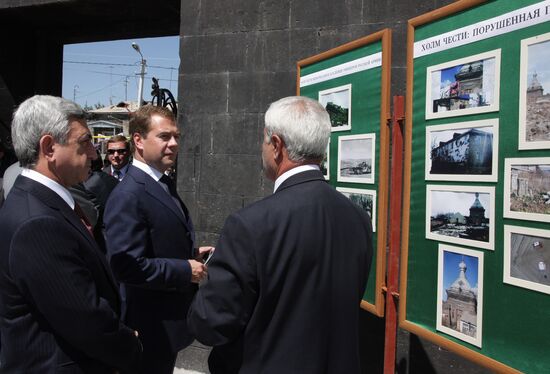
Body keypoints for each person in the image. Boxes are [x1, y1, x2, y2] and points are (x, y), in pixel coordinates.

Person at [187, 96, 374, 374]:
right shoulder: (357, 216)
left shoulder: (249, 224)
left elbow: (211, 325)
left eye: (264, 142)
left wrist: (204, 277)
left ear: (276, 145)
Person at [0, 95, 142, 373]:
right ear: (49, 147)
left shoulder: (37, 202)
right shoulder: (37, 223)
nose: (93, 153)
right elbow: (82, 317)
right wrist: (130, 343)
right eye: (85, 142)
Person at [104, 105, 210, 374]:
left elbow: (153, 241)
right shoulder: (129, 195)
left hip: (166, 325)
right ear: (138, 140)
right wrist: (184, 270)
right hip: (149, 328)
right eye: (164, 137)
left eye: (176, 136)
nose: (174, 144)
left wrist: (191, 255)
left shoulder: (160, 182)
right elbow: (126, 266)